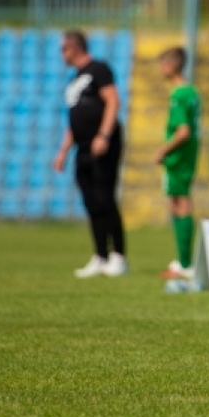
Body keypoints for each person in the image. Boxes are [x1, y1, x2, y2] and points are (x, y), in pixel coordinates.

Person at [53, 30, 128, 278]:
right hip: (83, 147)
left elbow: (113, 101)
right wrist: (63, 151)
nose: (62, 54)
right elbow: (74, 121)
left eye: (64, 49)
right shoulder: (74, 80)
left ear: (74, 48)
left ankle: (118, 255)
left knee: (105, 198)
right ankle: (100, 256)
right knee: (91, 202)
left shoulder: (99, 69)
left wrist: (104, 135)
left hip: (103, 144)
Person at [155, 47, 201, 281]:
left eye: (163, 64)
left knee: (180, 204)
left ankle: (185, 263)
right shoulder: (192, 91)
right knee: (178, 203)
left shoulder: (178, 94)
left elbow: (183, 131)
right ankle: (183, 260)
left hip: (179, 157)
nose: (161, 69)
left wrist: (163, 149)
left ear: (172, 66)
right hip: (189, 155)